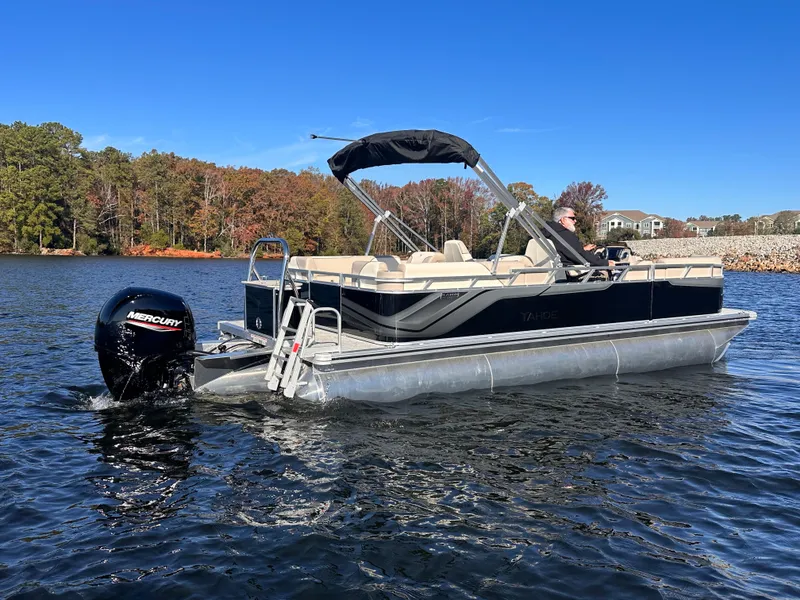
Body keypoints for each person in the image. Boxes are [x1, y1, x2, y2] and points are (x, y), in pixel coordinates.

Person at [543, 207, 615, 269]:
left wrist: (582, 249)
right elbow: (582, 257)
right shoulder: (565, 235)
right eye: (572, 218)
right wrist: (606, 263)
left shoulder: (545, 233)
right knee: (604, 273)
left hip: (551, 272)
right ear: (563, 220)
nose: (575, 221)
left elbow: (564, 251)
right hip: (567, 273)